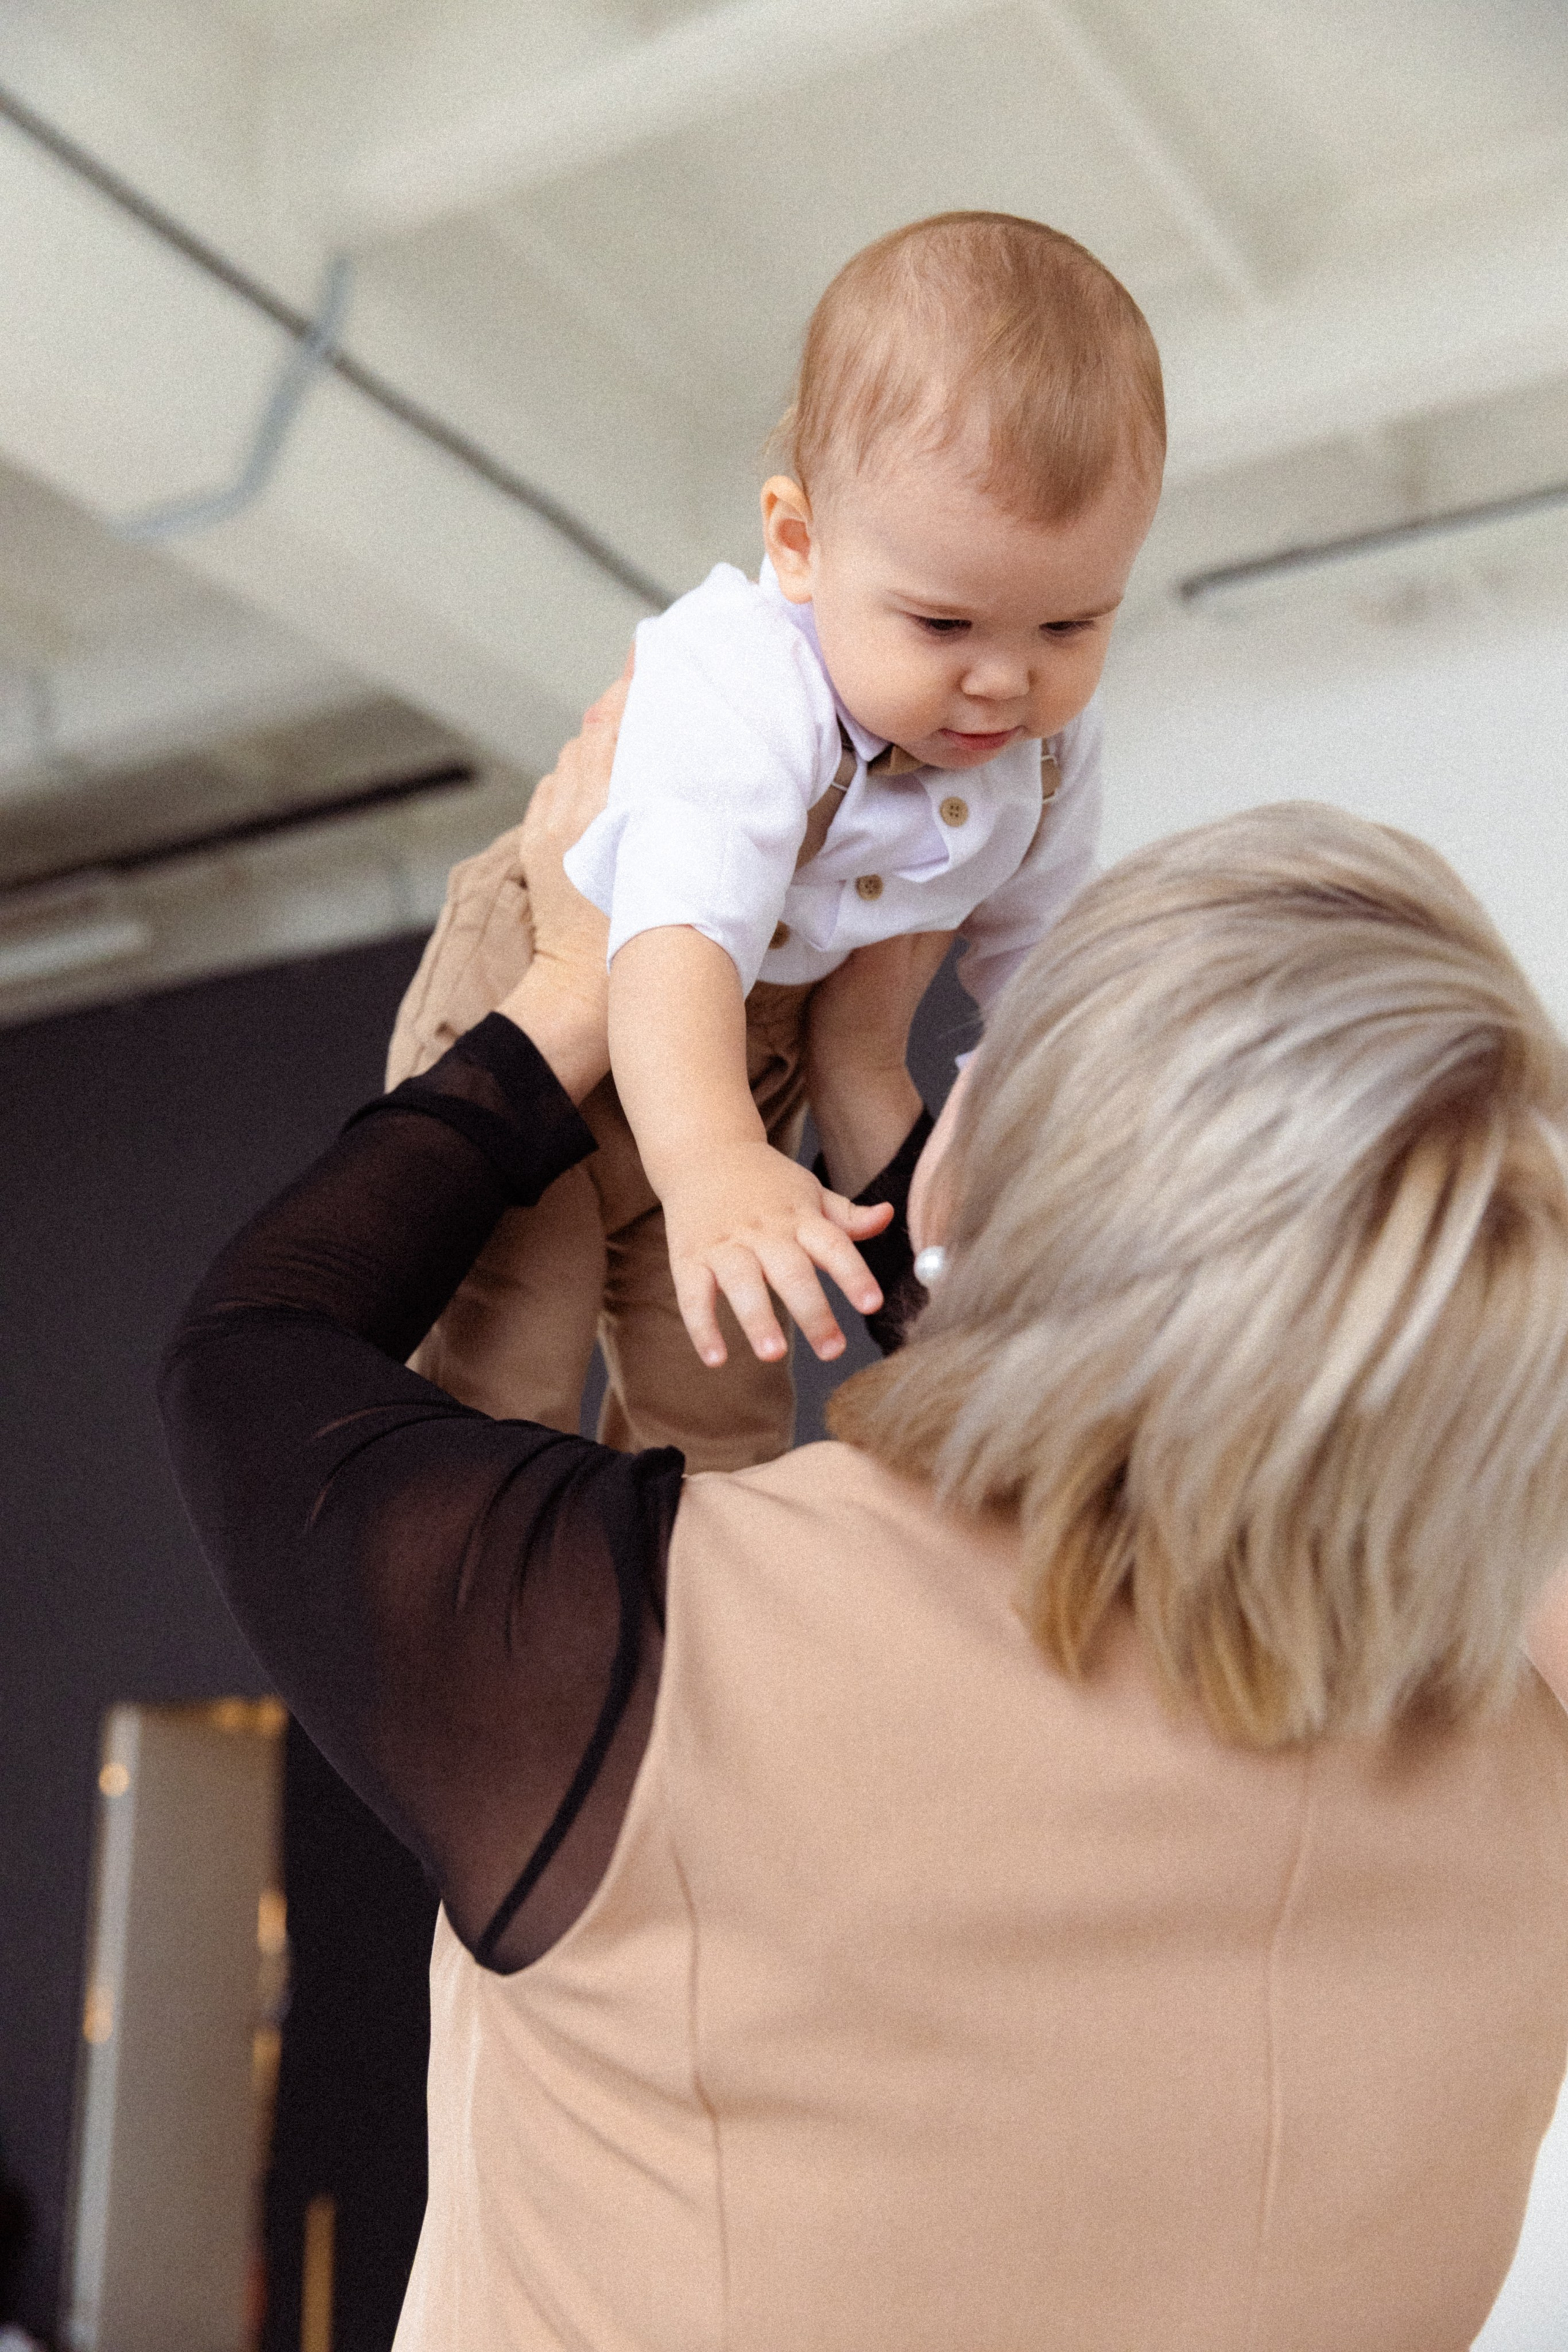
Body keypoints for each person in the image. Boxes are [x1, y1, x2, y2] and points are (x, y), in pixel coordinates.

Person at [162, 693, 1568, 2350]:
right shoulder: (1525, 1745)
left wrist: (564, 991)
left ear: (985, 1169)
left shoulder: (654, 1647)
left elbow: (253, 1354)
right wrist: (863, 1082)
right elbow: (1153, 1434)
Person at [386, 211, 1163, 1468]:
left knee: (727, 1389)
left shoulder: (1048, 756)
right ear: (798, 547)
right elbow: (677, 935)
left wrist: (1058, 1161)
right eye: (942, 624)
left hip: (753, 1056)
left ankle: (679, 1619)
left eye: (1070, 629)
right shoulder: (742, 679)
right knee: (511, 1342)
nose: (1002, 685)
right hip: (576, 1002)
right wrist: (704, 1163)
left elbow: (1041, 980)